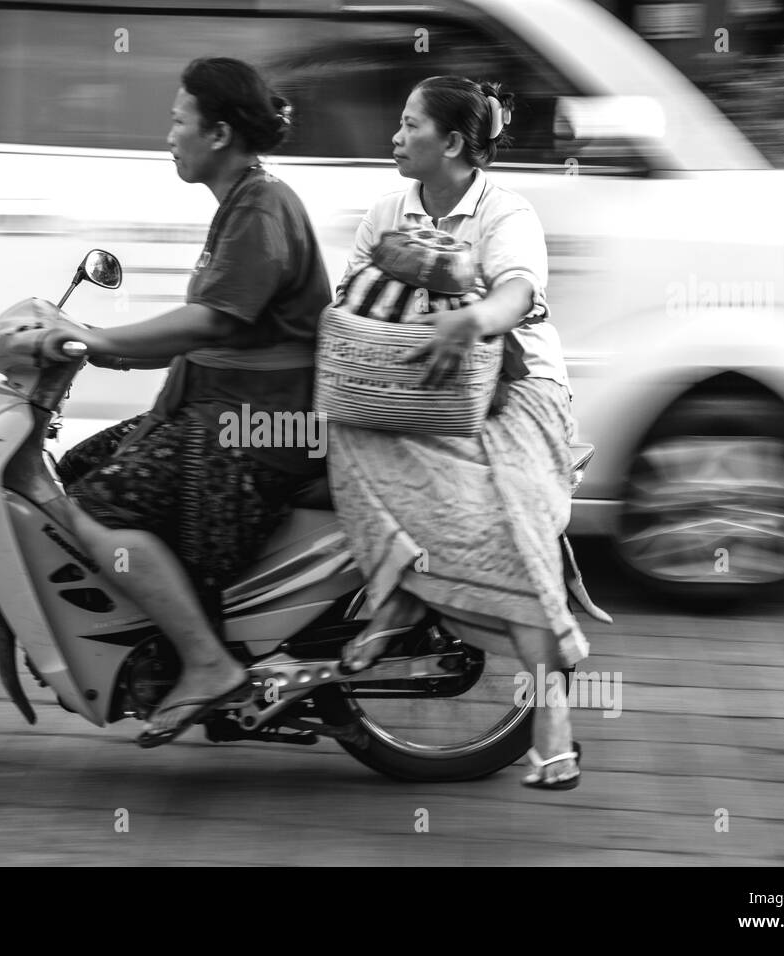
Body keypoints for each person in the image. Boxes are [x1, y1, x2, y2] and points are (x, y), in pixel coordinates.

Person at [38, 58, 331, 747]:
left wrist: (96, 335)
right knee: (72, 474)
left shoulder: (262, 207)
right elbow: (197, 336)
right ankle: (165, 648)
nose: (168, 134)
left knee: (92, 512)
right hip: (217, 416)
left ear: (219, 131)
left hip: (256, 429)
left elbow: (213, 323)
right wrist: (95, 346)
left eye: (178, 120)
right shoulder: (242, 205)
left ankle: (207, 662)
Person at [330, 76, 607, 789]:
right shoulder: (387, 209)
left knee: (511, 510)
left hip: (519, 391)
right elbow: (354, 302)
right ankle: (397, 586)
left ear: (451, 144)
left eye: (409, 124)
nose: (395, 137)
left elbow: (519, 292)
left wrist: (471, 317)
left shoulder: (504, 213)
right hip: (418, 386)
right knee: (346, 434)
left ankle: (551, 721)